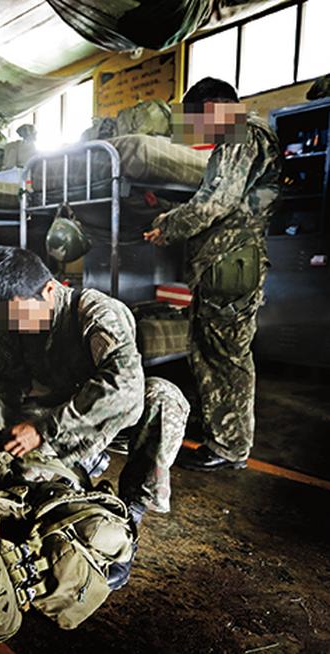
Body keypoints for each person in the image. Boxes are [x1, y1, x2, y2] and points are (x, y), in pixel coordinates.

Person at [0, 247, 189, 588]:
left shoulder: (95, 311)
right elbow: (7, 381)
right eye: (11, 318)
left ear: (49, 290)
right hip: (63, 412)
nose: (17, 326)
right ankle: (76, 476)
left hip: (111, 416)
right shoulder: (16, 318)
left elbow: (125, 387)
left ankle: (129, 521)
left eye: (22, 315)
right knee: (15, 466)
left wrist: (44, 430)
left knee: (165, 399)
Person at [144, 77, 281, 471]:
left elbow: (214, 204)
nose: (198, 130)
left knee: (225, 355)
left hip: (231, 263)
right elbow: (223, 200)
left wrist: (167, 225)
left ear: (214, 109)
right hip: (226, 262)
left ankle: (229, 446)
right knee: (211, 351)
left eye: (197, 120)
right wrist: (171, 205)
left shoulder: (240, 134)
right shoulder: (247, 138)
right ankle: (221, 431)